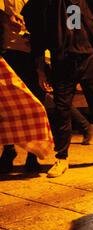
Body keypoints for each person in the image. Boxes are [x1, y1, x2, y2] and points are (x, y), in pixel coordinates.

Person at [22, 0, 93, 178]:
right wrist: (40, 72)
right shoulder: (42, 6)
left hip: (86, 58)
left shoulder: (75, 3)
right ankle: (62, 157)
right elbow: (38, 39)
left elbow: (87, 24)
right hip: (62, 62)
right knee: (62, 110)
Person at [0, 0, 44, 173]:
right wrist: (8, 17)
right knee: (7, 106)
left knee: (35, 103)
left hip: (33, 53)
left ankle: (32, 155)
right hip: (8, 51)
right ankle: (8, 150)